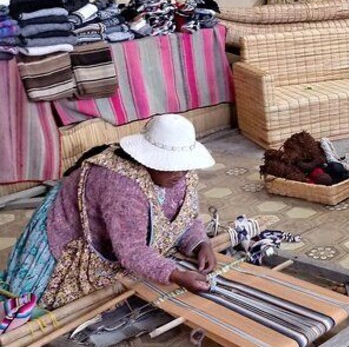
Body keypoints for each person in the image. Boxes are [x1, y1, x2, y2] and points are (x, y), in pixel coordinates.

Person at [3, 114, 217, 311]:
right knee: (28, 306)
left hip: (116, 228)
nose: (181, 174)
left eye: (185, 166)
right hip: (68, 229)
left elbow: (185, 216)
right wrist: (176, 275)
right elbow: (131, 249)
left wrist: (201, 243)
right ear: (149, 160)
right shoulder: (120, 184)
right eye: (173, 166)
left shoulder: (178, 175)